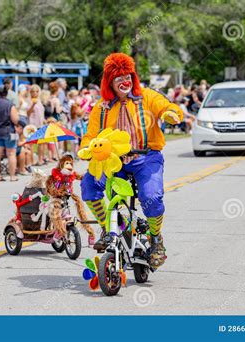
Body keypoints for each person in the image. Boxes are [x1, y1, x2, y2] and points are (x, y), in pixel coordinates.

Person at [80, 53, 183, 269]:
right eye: (118, 78)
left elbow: (167, 106)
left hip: (146, 157)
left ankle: (155, 239)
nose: (124, 81)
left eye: (128, 76)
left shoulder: (146, 96)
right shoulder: (102, 108)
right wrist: (87, 149)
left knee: (151, 197)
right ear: (110, 83)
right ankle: (109, 230)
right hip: (114, 160)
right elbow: (90, 137)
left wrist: (170, 114)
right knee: (89, 185)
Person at [27, 84, 46, 166]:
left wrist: (44, 120)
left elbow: (41, 113)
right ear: (30, 92)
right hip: (32, 125)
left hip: (40, 124)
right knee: (31, 144)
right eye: (33, 91)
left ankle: (40, 159)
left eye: (37, 91)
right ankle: (31, 161)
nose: (35, 93)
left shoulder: (39, 101)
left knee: (41, 143)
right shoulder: (29, 101)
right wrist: (33, 105)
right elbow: (27, 113)